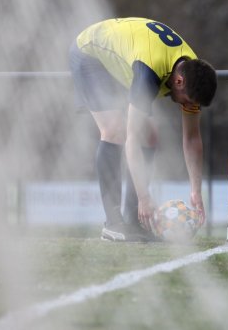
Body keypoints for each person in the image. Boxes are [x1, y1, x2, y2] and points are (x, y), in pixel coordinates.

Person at [68, 17, 217, 241]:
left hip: (120, 62)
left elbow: (192, 139)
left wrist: (196, 191)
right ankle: (113, 223)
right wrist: (145, 197)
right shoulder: (149, 73)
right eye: (187, 101)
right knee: (116, 131)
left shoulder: (192, 73)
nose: (188, 106)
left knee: (151, 135)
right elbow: (131, 141)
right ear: (178, 82)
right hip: (90, 55)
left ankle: (135, 222)